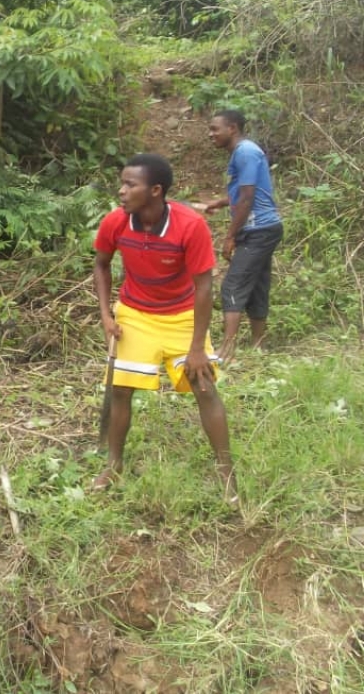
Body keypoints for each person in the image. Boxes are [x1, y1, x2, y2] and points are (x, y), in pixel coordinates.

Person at [92, 153, 236, 504]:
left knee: (204, 387)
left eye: (130, 185)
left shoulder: (190, 225)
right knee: (122, 389)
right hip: (135, 315)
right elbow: (101, 264)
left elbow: (204, 288)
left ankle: (225, 469)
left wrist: (197, 346)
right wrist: (106, 315)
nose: (121, 191)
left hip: (182, 315)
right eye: (121, 183)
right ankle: (114, 464)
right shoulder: (116, 222)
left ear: (156, 190)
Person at [205, 109, 284, 362]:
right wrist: (221, 202)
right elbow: (246, 192)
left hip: (258, 229)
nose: (211, 134)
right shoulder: (241, 153)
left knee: (233, 284)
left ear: (233, 129)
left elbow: (248, 198)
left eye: (215, 129)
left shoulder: (246, 152)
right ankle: (259, 347)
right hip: (263, 228)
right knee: (258, 285)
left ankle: (226, 351)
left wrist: (230, 237)